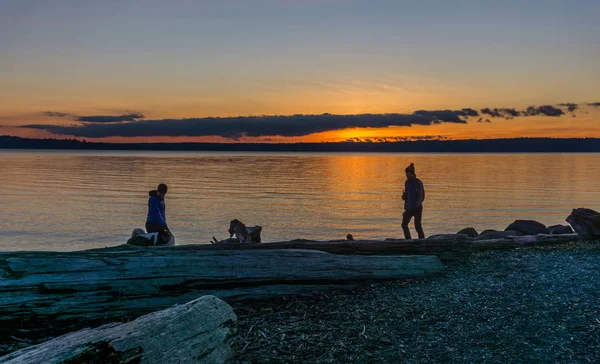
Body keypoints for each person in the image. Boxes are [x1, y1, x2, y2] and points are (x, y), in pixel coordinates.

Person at [401, 163, 425, 239]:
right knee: (404, 225)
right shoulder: (407, 183)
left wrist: (416, 204)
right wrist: (404, 197)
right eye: (406, 174)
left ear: (412, 174)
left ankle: (422, 241)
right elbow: (407, 196)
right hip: (409, 207)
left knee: (418, 226)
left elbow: (421, 196)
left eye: (408, 174)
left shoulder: (418, 183)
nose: (407, 176)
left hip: (417, 208)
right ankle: (408, 240)